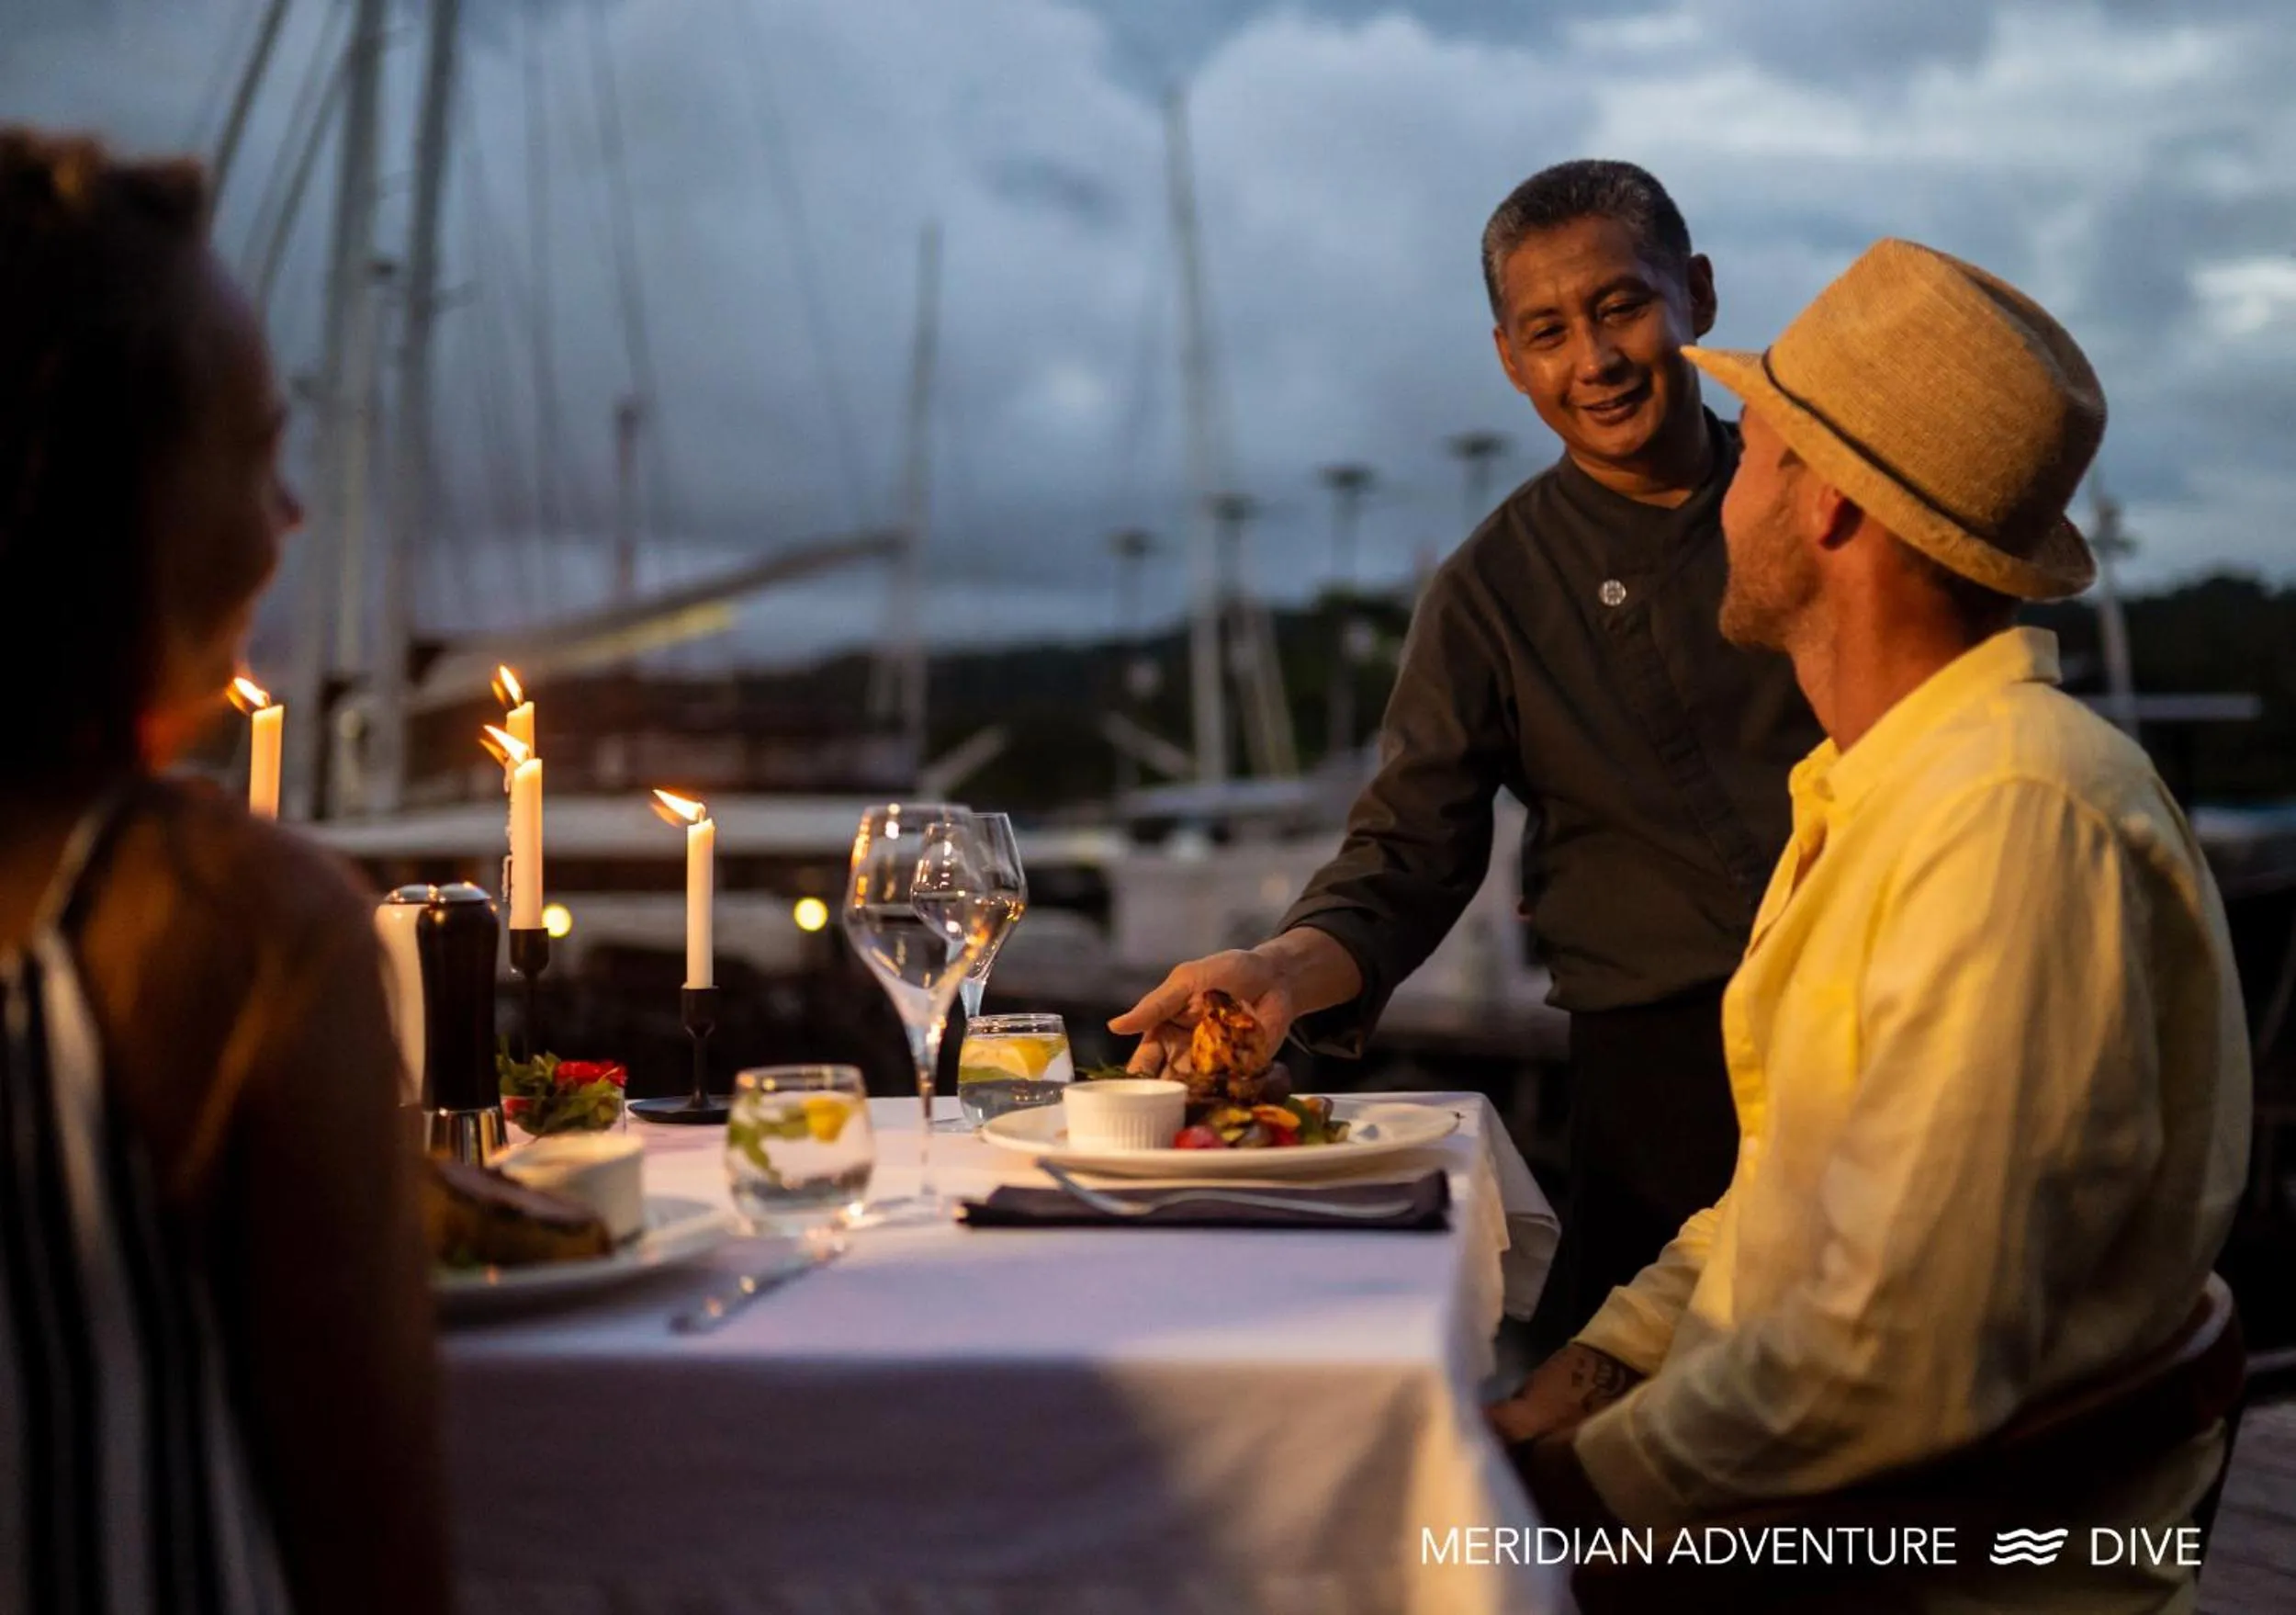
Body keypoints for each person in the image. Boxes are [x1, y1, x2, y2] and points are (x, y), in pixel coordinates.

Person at [1491, 239, 2251, 1611]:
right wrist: (1578, 1378)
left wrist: (1556, 1505)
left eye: (1759, 454)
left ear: (1828, 509)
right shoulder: (1885, 787)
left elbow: (1891, 1355)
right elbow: (1784, 1196)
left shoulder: (2009, 816)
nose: (1727, 493)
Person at [1113, 160, 1821, 1342]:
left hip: (1888, 1022)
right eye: (1547, 331)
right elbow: (1407, 850)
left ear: (1696, 293)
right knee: (1621, 1454)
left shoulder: (1823, 496)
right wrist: (1278, 972)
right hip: (1660, 1076)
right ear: (1507, 359)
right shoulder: (1491, 590)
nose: (1590, 361)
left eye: (1620, 306)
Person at [0, 129, 451, 1612]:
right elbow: (373, 1549)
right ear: (99, 494)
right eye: (260, 456)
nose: (288, 521)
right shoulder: (236, 937)